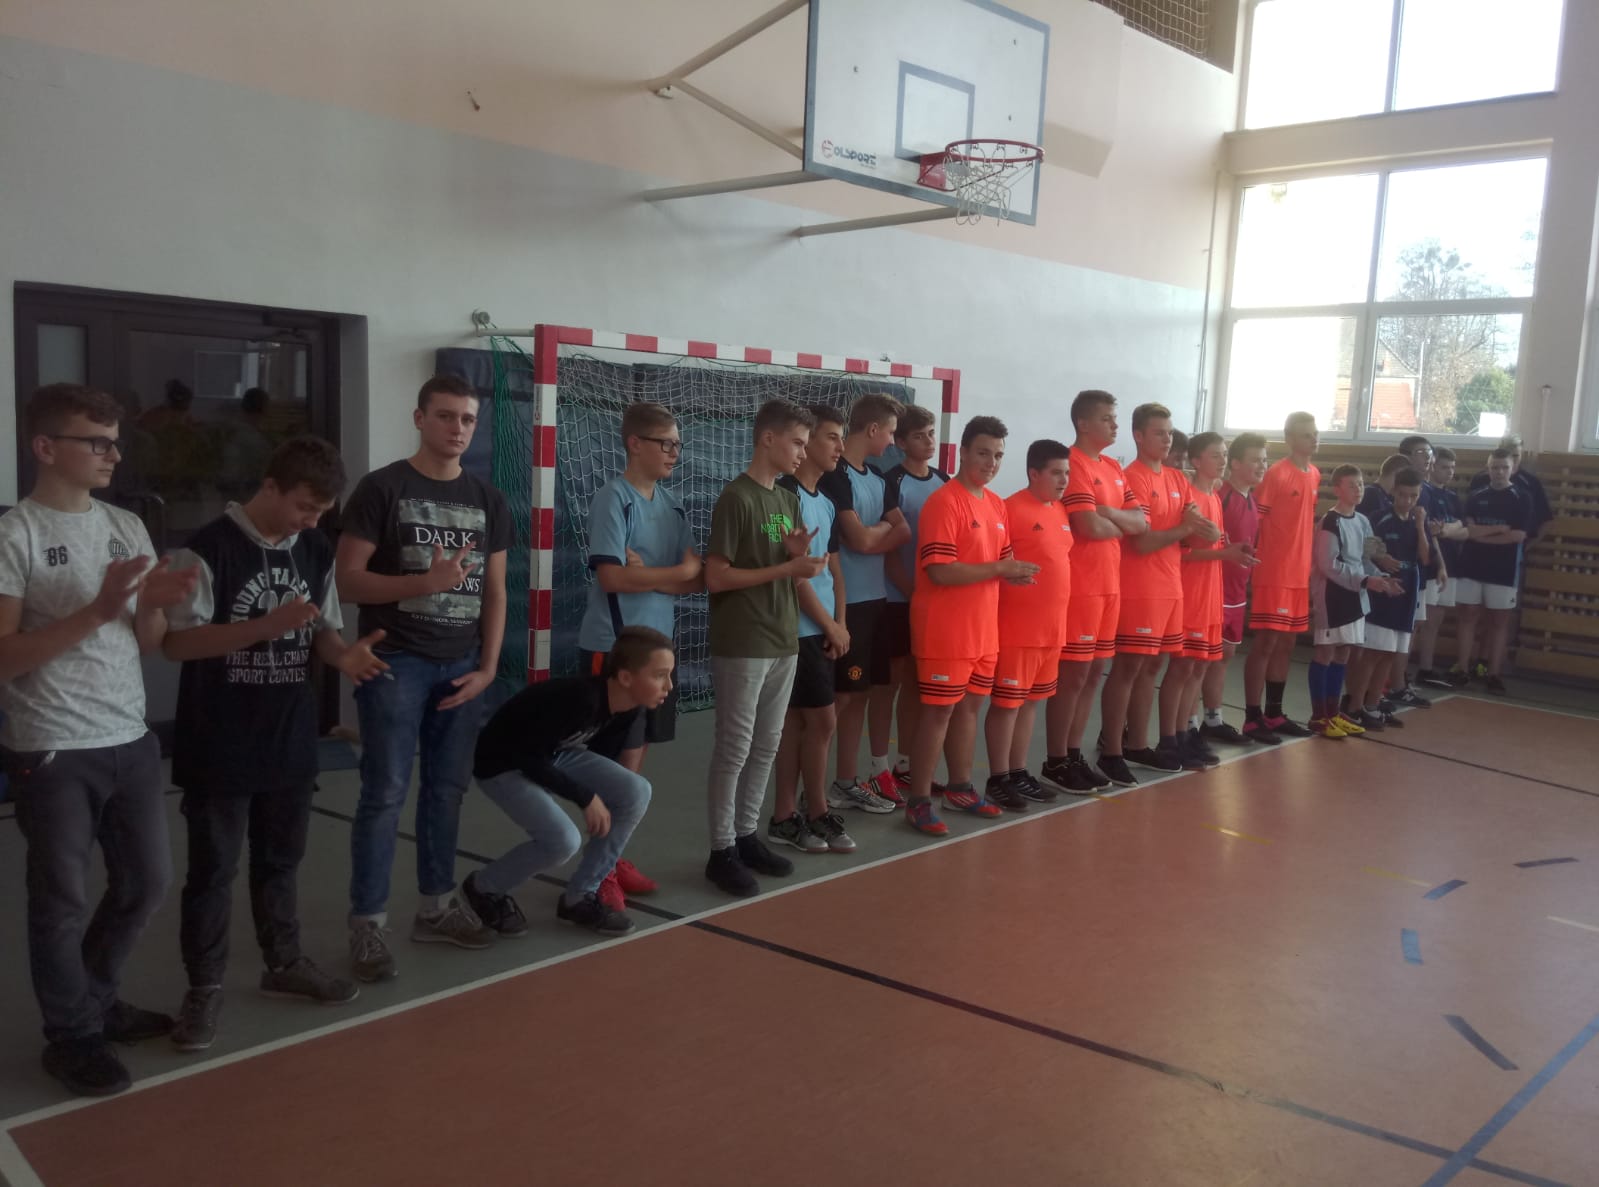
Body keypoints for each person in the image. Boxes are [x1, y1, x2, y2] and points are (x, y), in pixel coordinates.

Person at [0, 383, 198, 1096]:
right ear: (46, 447)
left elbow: (143, 640)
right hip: (53, 745)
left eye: (115, 442)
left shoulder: (126, 525)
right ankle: (73, 1035)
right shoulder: (15, 533)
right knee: (60, 901)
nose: (113, 455)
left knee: (146, 882)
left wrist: (154, 607)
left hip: (130, 737)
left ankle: (94, 998)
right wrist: (99, 608)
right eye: (97, 442)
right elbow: (3, 656)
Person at [164, 437, 390, 1052]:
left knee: (281, 862)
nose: (311, 522)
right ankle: (203, 987)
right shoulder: (207, 548)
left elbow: (323, 630)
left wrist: (344, 658)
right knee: (213, 871)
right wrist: (264, 626)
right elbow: (177, 645)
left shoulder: (314, 550)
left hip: (289, 736)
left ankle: (284, 962)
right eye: (303, 507)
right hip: (219, 738)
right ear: (270, 487)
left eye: (321, 512)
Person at [336, 374, 511, 981]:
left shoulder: (488, 499)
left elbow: (495, 590)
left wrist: (488, 667)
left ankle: (436, 907)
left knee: (446, 790)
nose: (458, 428)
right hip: (396, 662)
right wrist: (422, 583)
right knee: (384, 792)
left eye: (467, 419)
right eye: (445, 416)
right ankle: (368, 923)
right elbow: (347, 581)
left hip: (461, 666)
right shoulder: (382, 488)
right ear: (419, 418)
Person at [463, 626, 671, 939]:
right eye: (660, 675)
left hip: (554, 753)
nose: (669, 685)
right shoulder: (581, 699)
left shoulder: (628, 709)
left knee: (636, 790)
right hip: (503, 762)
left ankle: (581, 895)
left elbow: (600, 761)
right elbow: (527, 756)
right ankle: (484, 888)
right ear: (626, 678)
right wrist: (585, 797)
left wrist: (596, 801)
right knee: (563, 840)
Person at [575, 401, 702, 906]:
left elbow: (694, 579)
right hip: (615, 650)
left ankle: (613, 854)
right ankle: (597, 870)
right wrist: (669, 574)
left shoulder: (673, 505)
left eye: (677, 444)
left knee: (634, 761)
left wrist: (646, 573)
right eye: (665, 443)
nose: (674, 452)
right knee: (609, 765)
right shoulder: (614, 498)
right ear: (635, 443)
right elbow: (612, 577)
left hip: (659, 653)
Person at [702, 400, 826, 897]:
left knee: (767, 744)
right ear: (768, 439)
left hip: (782, 637)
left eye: (806, 444)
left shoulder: (787, 501)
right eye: (797, 442)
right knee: (735, 745)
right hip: (743, 639)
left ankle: (746, 835)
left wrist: (796, 558)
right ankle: (720, 850)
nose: (802, 452)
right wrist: (787, 567)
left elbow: (786, 570)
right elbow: (717, 576)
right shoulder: (737, 498)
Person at [906, 416, 1038, 836]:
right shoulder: (945, 502)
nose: (991, 462)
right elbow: (940, 570)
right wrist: (1000, 568)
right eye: (983, 453)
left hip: (983, 630)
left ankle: (960, 788)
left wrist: (1016, 572)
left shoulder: (996, 504)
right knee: (939, 713)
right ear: (963, 452)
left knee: (968, 709)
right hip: (946, 630)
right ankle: (919, 800)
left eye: (998, 455)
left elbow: (1000, 561)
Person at [1096, 403, 1215, 786]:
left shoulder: (1177, 479)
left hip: (1171, 587)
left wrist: (1206, 531)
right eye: (1158, 433)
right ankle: (1111, 750)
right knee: (1128, 668)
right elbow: (1143, 541)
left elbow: (1196, 526)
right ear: (1138, 435)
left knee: (1151, 668)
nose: (1167, 439)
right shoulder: (1132, 477)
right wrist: (1184, 529)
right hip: (1140, 588)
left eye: (1169, 432)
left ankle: (1137, 743)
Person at [1042, 391, 1147, 794]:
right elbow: (1087, 526)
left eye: (1115, 418)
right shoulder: (1074, 465)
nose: (1115, 425)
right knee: (1073, 675)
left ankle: (1073, 753)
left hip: (1110, 586)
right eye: (1107, 419)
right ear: (1083, 424)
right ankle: (1055, 760)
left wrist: (1110, 515)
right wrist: (1118, 521)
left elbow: (1142, 523)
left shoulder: (1114, 467)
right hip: (1082, 587)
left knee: (1092, 675)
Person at [771, 405, 858, 854]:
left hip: (824, 627)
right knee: (821, 720)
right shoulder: (785, 496)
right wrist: (827, 624)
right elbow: (796, 575)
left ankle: (785, 816)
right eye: (831, 437)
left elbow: (835, 571)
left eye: (841, 438)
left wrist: (840, 622)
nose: (839, 447)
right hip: (798, 628)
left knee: (798, 723)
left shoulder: (825, 500)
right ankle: (817, 811)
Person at [817, 394, 908, 813]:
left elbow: (901, 531)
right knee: (836, 701)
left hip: (876, 603)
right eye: (890, 433)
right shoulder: (835, 478)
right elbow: (858, 540)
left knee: (860, 694)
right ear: (872, 429)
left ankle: (845, 781)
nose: (891, 442)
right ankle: (813, 789)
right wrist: (877, 533)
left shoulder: (879, 478)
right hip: (846, 605)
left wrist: (874, 535)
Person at [982, 440, 1072, 811]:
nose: (1064, 480)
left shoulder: (1060, 510)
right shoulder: (1011, 509)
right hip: (1018, 629)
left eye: (1067, 473)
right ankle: (998, 778)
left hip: (1052, 630)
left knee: (1031, 703)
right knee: (1007, 704)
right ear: (1034, 473)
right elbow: (993, 563)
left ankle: (1018, 773)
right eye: (1056, 473)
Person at [1170, 432, 1255, 767]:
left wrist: (1232, 551)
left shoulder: (1214, 498)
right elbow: (1181, 553)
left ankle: (1187, 732)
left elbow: (1215, 549)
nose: (1222, 460)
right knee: (1183, 667)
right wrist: (1223, 554)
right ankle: (1174, 736)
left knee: (1200, 666)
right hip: (1190, 594)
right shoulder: (1189, 498)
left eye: (1223, 454)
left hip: (1210, 594)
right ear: (1195, 461)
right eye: (1215, 455)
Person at [880, 406, 950, 796]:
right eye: (919, 436)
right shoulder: (891, 481)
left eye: (931, 433)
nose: (928, 441)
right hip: (897, 599)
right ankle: (879, 766)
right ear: (901, 442)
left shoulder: (944, 481)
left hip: (931, 603)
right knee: (888, 683)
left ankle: (906, 762)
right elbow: (890, 549)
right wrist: (912, 592)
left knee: (916, 682)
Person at [1242, 412, 1321, 743]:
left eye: (1315, 434)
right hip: (1274, 572)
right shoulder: (1276, 474)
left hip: (1299, 575)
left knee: (1287, 644)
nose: (1313, 439)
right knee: (1266, 643)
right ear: (1289, 438)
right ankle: (1252, 717)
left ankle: (1274, 713)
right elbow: (1254, 521)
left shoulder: (1314, 474)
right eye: (1306, 435)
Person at [1306, 465, 1399, 738]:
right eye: (1351, 485)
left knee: (1344, 652)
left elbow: (1367, 559)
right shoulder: (1330, 522)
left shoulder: (1363, 521)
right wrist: (1365, 580)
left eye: (1360, 484)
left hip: (1356, 596)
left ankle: (1333, 712)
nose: (1358, 489)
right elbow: (1328, 564)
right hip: (1332, 596)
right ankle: (1319, 716)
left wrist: (1382, 578)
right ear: (1337, 489)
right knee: (1325, 652)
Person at [1200, 432, 1267, 747]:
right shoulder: (1221, 495)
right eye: (1255, 460)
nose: (1262, 466)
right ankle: (1188, 726)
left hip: (1237, 593)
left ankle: (1212, 720)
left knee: (1225, 656)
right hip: (1214, 591)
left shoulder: (1252, 500)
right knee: (1201, 660)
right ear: (1236, 464)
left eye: (1264, 460)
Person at [1348, 468, 1430, 728]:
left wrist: (1420, 525)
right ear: (1394, 491)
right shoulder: (1380, 518)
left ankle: (1373, 705)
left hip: (1408, 592)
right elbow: (1365, 550)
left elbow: (1425, 557)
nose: (1407, 501)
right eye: (1403, 495)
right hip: (1383, 592)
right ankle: (1354, 707)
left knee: (1391, 654)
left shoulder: (1418, 521)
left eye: (1413, 496)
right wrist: (1381, 558)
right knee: (1373, 653)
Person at [1454, 448, 1530, 696]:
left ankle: (1493, 674)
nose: (1499, 472)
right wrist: (1498, 529)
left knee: (1498, 622)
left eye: (1504, 467)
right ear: (1487, 469)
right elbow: (1468, 530)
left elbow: (1517, 536)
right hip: (1471, 566)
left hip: (1503, 570)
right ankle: (1462, 669)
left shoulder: (1521, 497)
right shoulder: (1476, 496)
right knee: (1467, 616)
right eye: (1494, 467)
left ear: (1513, 469)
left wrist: (1482, 536)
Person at [1414, 446, 1468, 689]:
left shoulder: (1453, 497)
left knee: (1436, 619)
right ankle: (1401, 671)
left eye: (1453, 468)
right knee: (1420, 620)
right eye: (1445, 467)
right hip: (1433, 565)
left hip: (1452, 564)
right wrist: (1447, 532)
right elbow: (1429, 530)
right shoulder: (1425, 492)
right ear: (1433, 466)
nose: (1450, 472)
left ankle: (1426, 668)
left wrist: (1447, 530)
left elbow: (1464, 530)